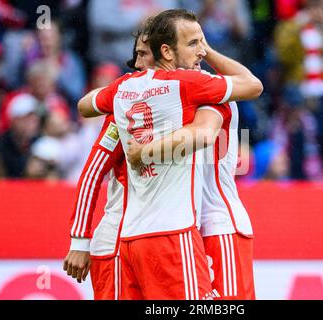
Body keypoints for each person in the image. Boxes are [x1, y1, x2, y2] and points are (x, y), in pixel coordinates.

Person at [76, 9, 262, 299]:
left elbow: (204, 132)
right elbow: (88, 114)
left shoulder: (202, 88)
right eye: (136, 55)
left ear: (164, 52)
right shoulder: (133, 94)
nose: (138, 64)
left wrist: (145, 152)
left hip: (217, 222)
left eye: (144, 54)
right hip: (170, 228)